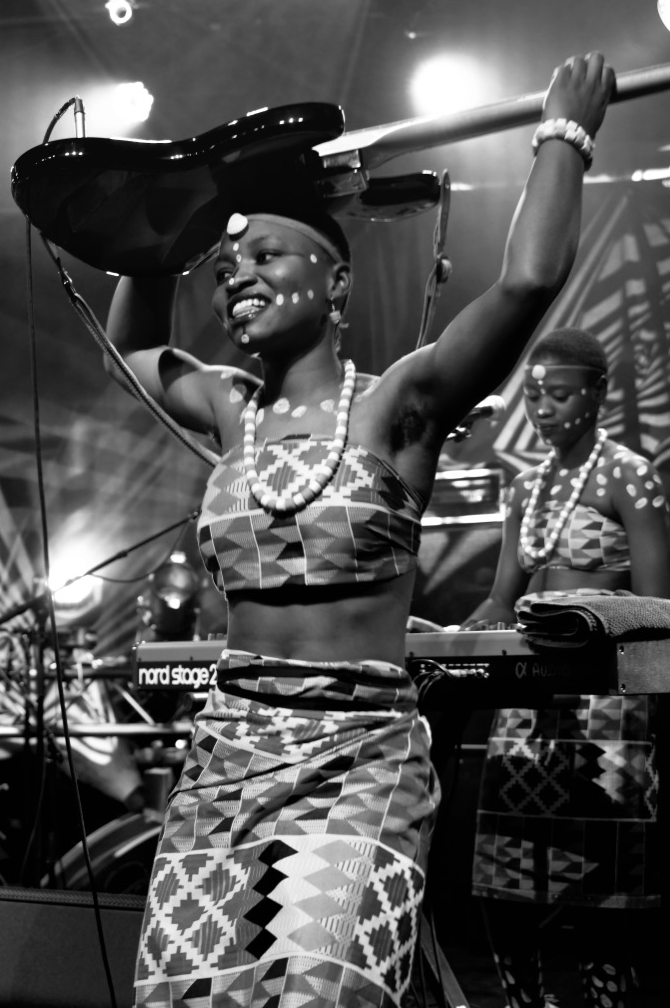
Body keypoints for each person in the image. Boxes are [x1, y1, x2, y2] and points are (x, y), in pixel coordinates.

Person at [104, 56, 614, 1008]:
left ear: (337, 283)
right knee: (187, 998)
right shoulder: (228, 408)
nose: (238, 276)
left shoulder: (398, 406)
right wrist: (156, 227)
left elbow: (527, 281)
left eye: (266, 257)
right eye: (225, 268)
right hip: (226, 755)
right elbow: (129, 348)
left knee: (321, 991)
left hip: (358, 758)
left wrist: (564, 133)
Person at [465, 327, 670, 1008]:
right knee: (504, 883)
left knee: (599, 894)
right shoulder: (525, 488)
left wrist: (584, 621)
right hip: (528, 705)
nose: (543, 409)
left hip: (604, 708)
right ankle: (525, 1004)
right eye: (534, 397)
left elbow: (660, 607)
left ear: (598, 392)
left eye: (559, 395)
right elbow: (502, 600)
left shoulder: (629, 477)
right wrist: (449, 633)